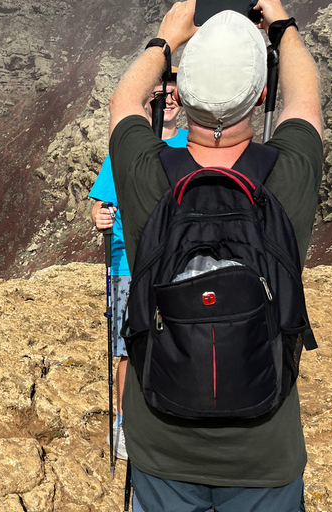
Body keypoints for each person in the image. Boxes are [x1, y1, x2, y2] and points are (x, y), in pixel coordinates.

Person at [108, 0, 323, 510]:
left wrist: (165, 40)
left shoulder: (146, 173)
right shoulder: (288, 174)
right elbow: (306, 102)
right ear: (261, 95)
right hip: (264, 451)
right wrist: (283, 26)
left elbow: (123, 102)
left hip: (162, 444)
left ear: (181, 95)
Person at [89, 69, 187, 461]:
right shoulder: (127, 150)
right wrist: (98, 217)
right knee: (131, 348)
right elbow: (100, 205)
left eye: (176, 91)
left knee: (174, 343)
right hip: (128, 262)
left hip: (174, 262)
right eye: (162, 91)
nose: (169, 97)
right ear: (149, 99)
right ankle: (126, 425)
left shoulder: (190, 147)